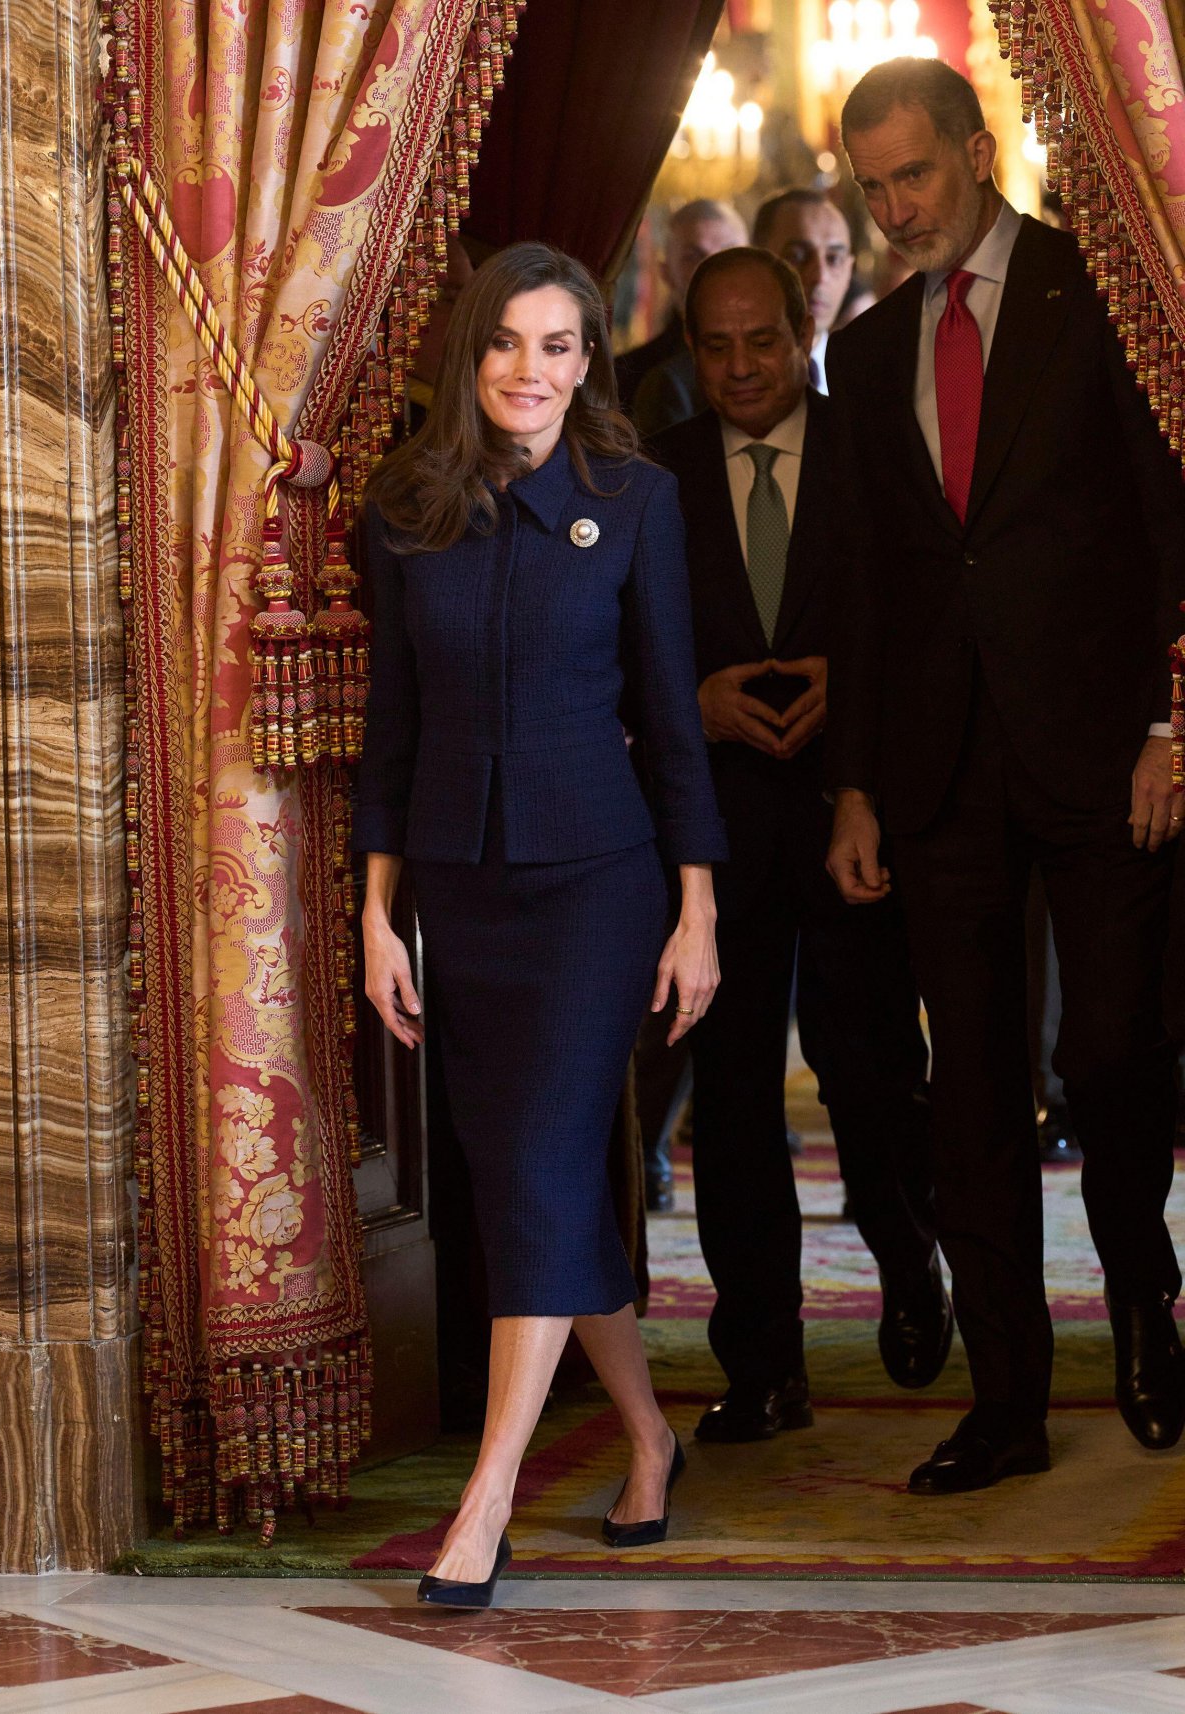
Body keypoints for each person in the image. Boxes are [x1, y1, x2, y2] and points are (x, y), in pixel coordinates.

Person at [825, 57, 1185, 1495]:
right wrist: (854, 785)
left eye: (913, 173)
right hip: (938, 765)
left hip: (1104, 749)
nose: (896, 205)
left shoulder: (1099, 287)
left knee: (1110, 1058)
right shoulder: (862, 352)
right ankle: (1008, 1398)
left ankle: (1149, 1315)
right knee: (964, 1093)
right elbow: (860, 585)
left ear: (978, 151)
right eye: (873, 184)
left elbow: (1171, 518)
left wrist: (1175, 719)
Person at [355, 241, 726, 1606]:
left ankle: (489, 1493)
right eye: (509, 343)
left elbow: (674, 716)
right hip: (460, 883)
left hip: (599, 881)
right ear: (473, 357)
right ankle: (645, 1435)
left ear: (590, 359)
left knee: (539, 1166)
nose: (532, 371)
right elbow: (390, 731)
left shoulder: (635, 500)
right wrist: (376, 911)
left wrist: (697, 906)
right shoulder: (407, 508)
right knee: (539, 1172)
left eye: (560, 345)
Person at [651, 246, 946, 1444]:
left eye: (760, 341)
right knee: (728, 1107)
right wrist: (697, 701)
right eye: (715, 348)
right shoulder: (656, 475)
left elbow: (920, 612)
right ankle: (763, 1361)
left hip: (846, 814)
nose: (739, 368)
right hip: (716, 832)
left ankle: (909, 1258)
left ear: (801, 330)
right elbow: (626, 644)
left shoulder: (871, 446)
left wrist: (853, 697)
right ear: (692, 353)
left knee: (871, 1072)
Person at [621, 199, 748, 437]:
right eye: (693, 256)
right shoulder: (628, 375)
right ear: (666, 272)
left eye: (729, 253)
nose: (712, 268)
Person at [752, 188, 855, 394]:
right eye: (797, 256)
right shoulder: (703, 385)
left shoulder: (870, 382)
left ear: (849, 272)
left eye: (833, 259)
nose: (819, 277)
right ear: (755, 263)